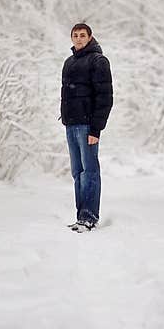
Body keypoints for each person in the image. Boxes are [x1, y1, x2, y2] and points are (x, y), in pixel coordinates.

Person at [60, 23, 113, 232]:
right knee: (77, 172)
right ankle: (80, 217)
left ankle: (89, 217)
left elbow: (105, 98)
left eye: (83, 35)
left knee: (90, 171)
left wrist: (95, 129)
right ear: (71, 38)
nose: (79, 38)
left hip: (87, 126)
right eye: (75, 35)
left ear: (90, 37)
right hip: (71, 125)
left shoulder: (98, 61)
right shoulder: (69, 62)